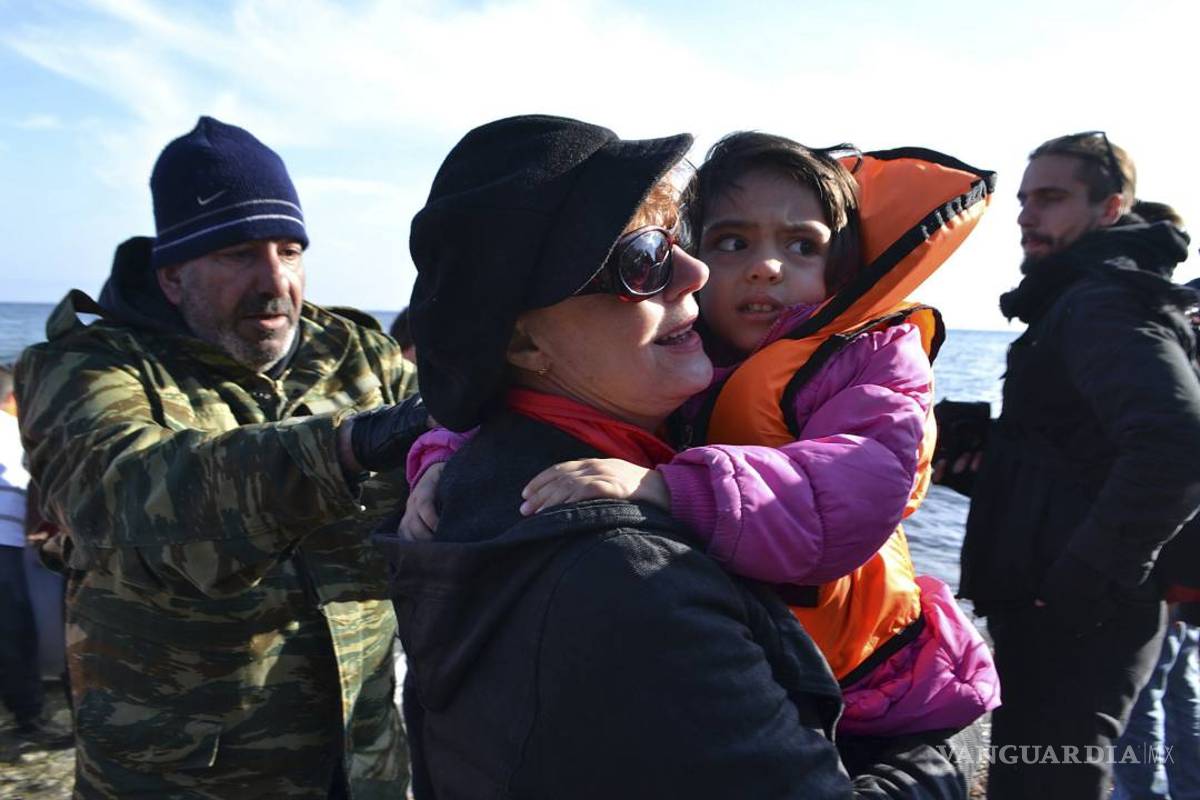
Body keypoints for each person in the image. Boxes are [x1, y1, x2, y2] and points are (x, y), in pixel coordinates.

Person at [379, 113, 972, 799]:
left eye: (673, 244)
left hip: (887, 665)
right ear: (522, 346)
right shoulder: (633, 579)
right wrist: (945, 759)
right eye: (642, 262)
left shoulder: (492, 487)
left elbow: (859, 478)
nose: (693, 272)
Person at [15, 116, 427, 798]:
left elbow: (460, 449)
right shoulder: (85, 367)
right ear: (173, 275)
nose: (275, 281)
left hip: (362, 763)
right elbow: (124, 497)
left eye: (289, 250)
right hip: (185, 779)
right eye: (239, 253)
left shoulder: (359, 355)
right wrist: (348, 446)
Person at [957, 131, 1200, 799]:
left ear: (1111, 207)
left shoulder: (1103, 299)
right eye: (1026, 200)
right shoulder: (1080, 298)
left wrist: (1080, 585)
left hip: (1080, 610)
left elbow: (1176, 445)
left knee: (1049, 782)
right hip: (1067, 597)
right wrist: (983, 459)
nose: (1028, 216)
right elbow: (1080, 455)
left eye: (1053, 198)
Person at [0, 365, 71, 749]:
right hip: (7, 542)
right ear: (14, 400)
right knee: (15, 633)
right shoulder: (16, 431)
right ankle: (29, 719)